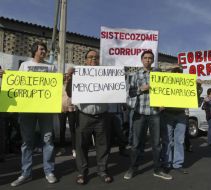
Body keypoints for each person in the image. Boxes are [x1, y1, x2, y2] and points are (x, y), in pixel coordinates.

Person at [10, 41, 57, 187]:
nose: (44, 51)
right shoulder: (24, 65)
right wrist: (5, 76)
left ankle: (49, 171)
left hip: (45, 109)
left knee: (48, 140)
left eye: (45, 49)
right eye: (41, 49)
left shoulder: (51, 67)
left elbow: (55, 86)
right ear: (34, 51)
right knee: (27, 142)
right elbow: (17, 84)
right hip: (27, 109)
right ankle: (25, 173)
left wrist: (65, 79)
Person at [124, 50, 172, 180]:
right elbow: (130, 93)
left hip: (155, 113)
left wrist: (163, 103)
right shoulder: (135, 75)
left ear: (153, 60)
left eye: (150, 58)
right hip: (139, 113)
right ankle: (132, 169)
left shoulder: (158, 74)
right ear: (142, 60)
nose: (148, 60)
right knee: (136, 144)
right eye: (145, 58)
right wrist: (141, 88)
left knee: (156, 144)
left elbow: (165, 92)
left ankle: (157, 169)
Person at [66, 50, 113, 184]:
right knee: (81, 145)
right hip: (84, 115)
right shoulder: (78, 74)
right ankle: (82, 173)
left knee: (103, 145)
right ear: (85, 60)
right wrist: (70, 78)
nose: (94, 59)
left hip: (102, 116)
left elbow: (115, 90)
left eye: (96, 57)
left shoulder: (106, 74)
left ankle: (102, 170)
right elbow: (70, 93)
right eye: (91, 57)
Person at [161, 66, 188, 175]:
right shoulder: (165, 83)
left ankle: (177, 164)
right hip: (167, 113)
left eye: (179, 72)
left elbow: (195, 95)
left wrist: (198, 85)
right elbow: (158, 75)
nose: (177, 74)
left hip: (181, 114)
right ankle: (166, 163)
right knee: (167, 140)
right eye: (175, 72)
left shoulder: (186, 84)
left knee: (179, 140)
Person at [56, 67, 77, 158]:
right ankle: (62, 148)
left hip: (71, 109)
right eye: (65, 76)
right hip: (61, 109)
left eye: (68, 75)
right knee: (62, 129)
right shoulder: (58, 86)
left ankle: (74, 149)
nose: (66, 77)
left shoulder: (73, 84)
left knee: (72, 129)